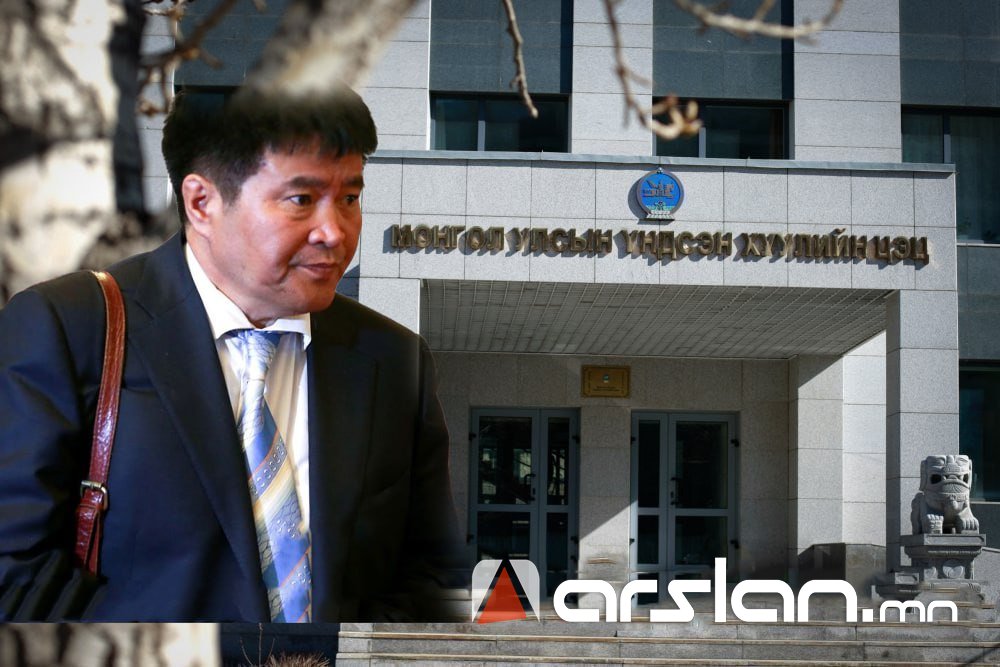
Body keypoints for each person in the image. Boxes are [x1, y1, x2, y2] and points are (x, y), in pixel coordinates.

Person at [0, 86, 462, 622]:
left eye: (350, 199)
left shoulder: (394, 358)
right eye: (302, 200)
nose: (335, 232)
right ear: (202, 203)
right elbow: (16, 574)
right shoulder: (71, 326)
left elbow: (433, 577)